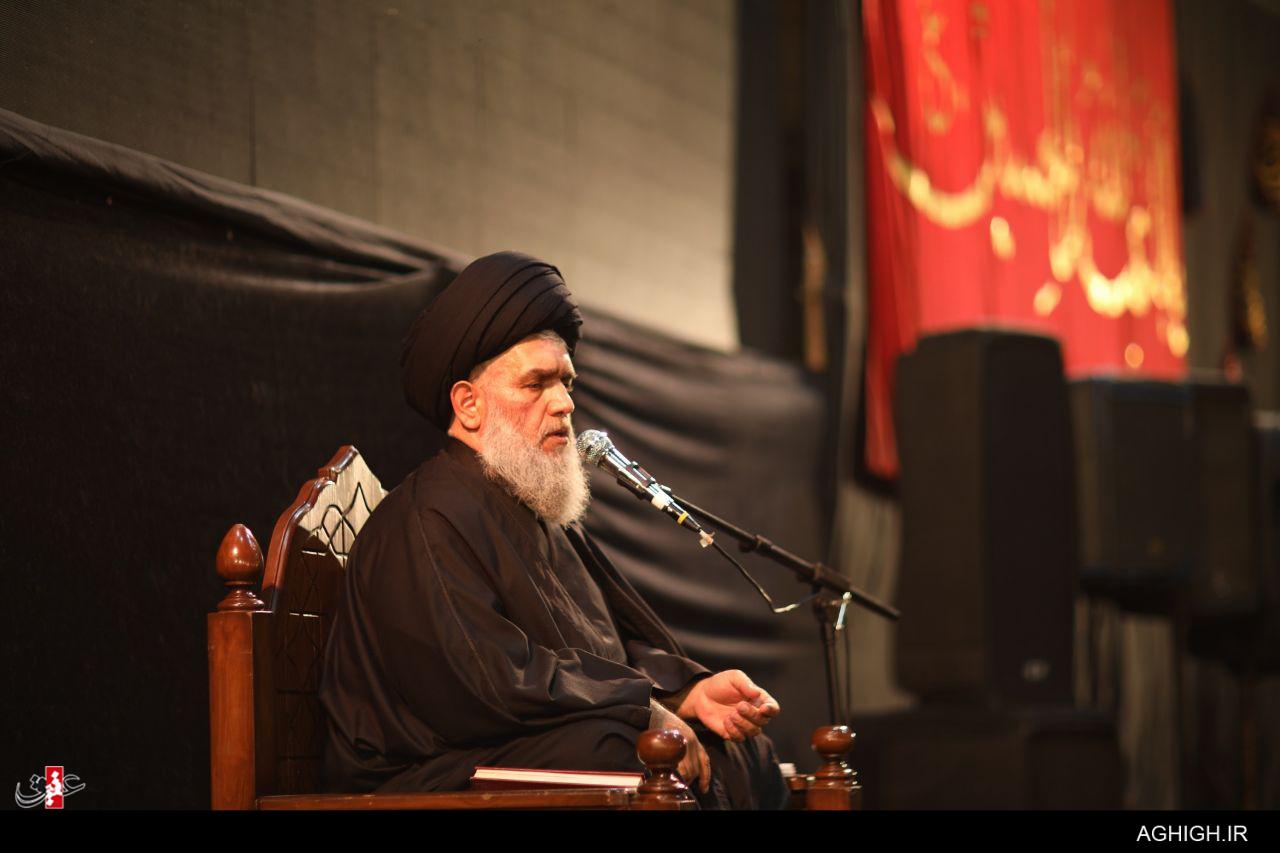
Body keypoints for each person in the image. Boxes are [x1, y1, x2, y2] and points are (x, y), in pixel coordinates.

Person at [319, 251, 788, 809]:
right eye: (536, 383)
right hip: (426, 777)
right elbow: (486, 682)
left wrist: (686, 693)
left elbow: (609, 648)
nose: (564, 403)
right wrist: (640, 708)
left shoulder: (542, 517)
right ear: (468, 405)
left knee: (739, 746)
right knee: (627, 747)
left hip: (520, 744)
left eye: (566, 382)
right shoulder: (425, 520)